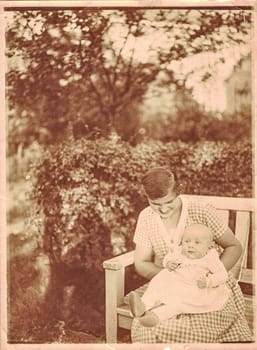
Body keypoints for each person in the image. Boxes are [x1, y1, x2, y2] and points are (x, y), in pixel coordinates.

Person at [131, 166, 252, 343]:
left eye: (169, 202)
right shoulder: (146, 217)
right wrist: (174, 278)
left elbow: (234, 246)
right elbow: (141, 263)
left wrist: (208, 276)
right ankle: (145, 310)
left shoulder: (201, 211)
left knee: (191, 331)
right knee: (145, 325)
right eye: (155, 204)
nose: (163, 209)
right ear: (147, 197)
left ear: (178, 192)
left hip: (209, 287)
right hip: (172, 283)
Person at [129, 223, 231, 327]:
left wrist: (209, 281)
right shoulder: (179, 251)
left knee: (177, 305)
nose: (190, 245)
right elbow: (168, 257)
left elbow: (222, 275)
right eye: (187, 241)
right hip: (174, 283)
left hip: (193, 289)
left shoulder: (210, 258)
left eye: (197, 242)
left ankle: (155, 317)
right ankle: (142, 305)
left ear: (209, 246)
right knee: (156, 285)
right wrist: (168, 263)